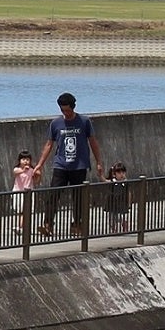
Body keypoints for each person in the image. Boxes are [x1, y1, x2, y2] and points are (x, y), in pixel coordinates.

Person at [30, 92, 102, 237]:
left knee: (78, 197)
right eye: (63, 110)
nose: (65, 113)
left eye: (68, 110)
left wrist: (99, 162)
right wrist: (39, 165)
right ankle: (48, 224)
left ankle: (77, 224)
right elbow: (49, 144)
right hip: (61, 165)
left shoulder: (84, 121)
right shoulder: (55, 123)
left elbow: (93, 142)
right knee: (53, 195)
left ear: (73, 107)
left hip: (79, 165)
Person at [9, 150, 36, 232]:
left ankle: (21, 227)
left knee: (25, 211)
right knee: (19, 211)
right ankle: (20, 226)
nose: (25, 161)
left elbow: (36, 179)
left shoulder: (31, 170)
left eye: (27, 159)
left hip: (28, 193)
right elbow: (15, 172)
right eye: (23, 159)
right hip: (18, 192)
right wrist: (24, 170)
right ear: (19, 161)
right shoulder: (17, 169)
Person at [103, 162, 130, 234]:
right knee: (112, 219)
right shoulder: (112, 182)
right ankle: (114, 230)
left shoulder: (125, 182)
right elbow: (105, 181)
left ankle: (125, 228)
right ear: (114, 174)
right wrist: (100, 175)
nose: (121, 174)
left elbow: (129, 193)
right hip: (112, 204)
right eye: (119, 172)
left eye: (123, 172)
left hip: (122, 203)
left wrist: (129, 203)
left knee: (123, 217)